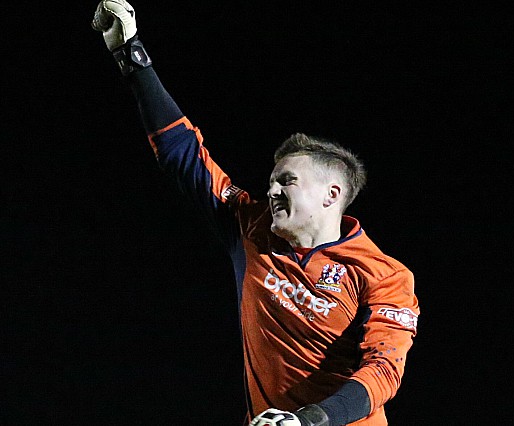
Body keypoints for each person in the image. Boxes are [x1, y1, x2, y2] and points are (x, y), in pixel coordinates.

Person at [91, 2, 420, 425]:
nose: (271, 189)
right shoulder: (253, 225)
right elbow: (184, 155)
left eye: (287, 181)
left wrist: (309, 420)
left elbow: (384, 370)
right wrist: (132, 56)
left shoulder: (386, 275)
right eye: (272, 181)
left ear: (330, 194)